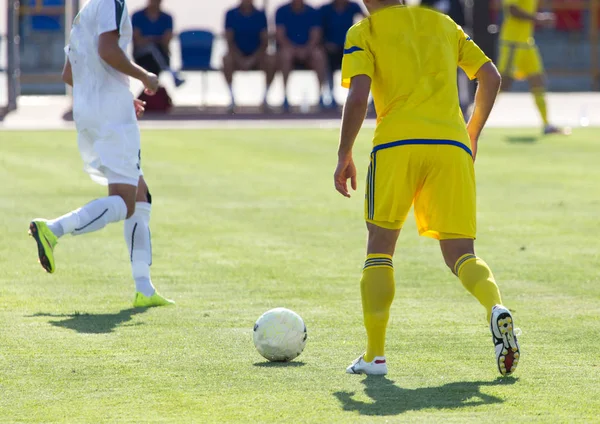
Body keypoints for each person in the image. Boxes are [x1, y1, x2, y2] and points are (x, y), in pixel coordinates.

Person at [334, 0, 519, 376]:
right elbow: (491, 76)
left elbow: (358, 95)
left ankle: (375, 357)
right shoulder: (443, 23)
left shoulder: (364, 32)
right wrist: (471, 133)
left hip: (396, 145)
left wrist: (344, 154)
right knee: (460, 253)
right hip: (451, 146)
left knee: (380, 248)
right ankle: (496, 308)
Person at [29, 0, 174, 309]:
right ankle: (53, 230)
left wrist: (118, 94)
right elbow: (108, 50)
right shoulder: (112, 3)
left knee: (140, 195)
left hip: (93, 109)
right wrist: (143, 77)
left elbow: (70, 73)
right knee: (124, 200)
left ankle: (144, 288)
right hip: (110, 115)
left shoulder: (86, 10)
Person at [498, 0, 569, 135]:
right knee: (502, 83)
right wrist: (539, 18)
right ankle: (473, 121)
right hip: (512, 42)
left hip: (527, 42)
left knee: (538, 80)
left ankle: (546, 124)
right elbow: (512, 10)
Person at [223, 0, 276, 112]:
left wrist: (252, 59)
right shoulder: (231, 14)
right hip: (237, 55)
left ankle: (265, 99)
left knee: (271, 60)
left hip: (256, 56)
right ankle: (232, 100)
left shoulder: (260, 15)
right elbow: (229, 41)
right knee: (226, 59)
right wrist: (240, 58)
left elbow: (264, 42)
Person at [276, 0, 327, 111]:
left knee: (319, 55)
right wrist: (294, 50)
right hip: (290, 51)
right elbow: (280, 36)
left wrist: (306, 50)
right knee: (285, 55)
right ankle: (285, 96)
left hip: (308, 51)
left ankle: (321, 95)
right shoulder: (281, 11)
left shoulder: (313, 12)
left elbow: (316, 35)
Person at [320, 0, 364, 108]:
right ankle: (329, 94)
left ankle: (361, 95)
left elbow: (367, 20)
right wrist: (325, 44)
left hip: (349, 49)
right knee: (322, 58)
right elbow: (318, 30)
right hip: (331, 49)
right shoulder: (325, 9)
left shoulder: (354, 7)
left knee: (364, 60)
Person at [132, 0, 184, 87]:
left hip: (160, 55)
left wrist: (149, 39)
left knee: (154, 63)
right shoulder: (137, 16)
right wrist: (155, 40)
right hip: (142, 55)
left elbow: (166, 40)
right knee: (152, 48)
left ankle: (152, 92)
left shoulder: (167, 17)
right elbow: (138, 40)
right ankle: (172, 74)